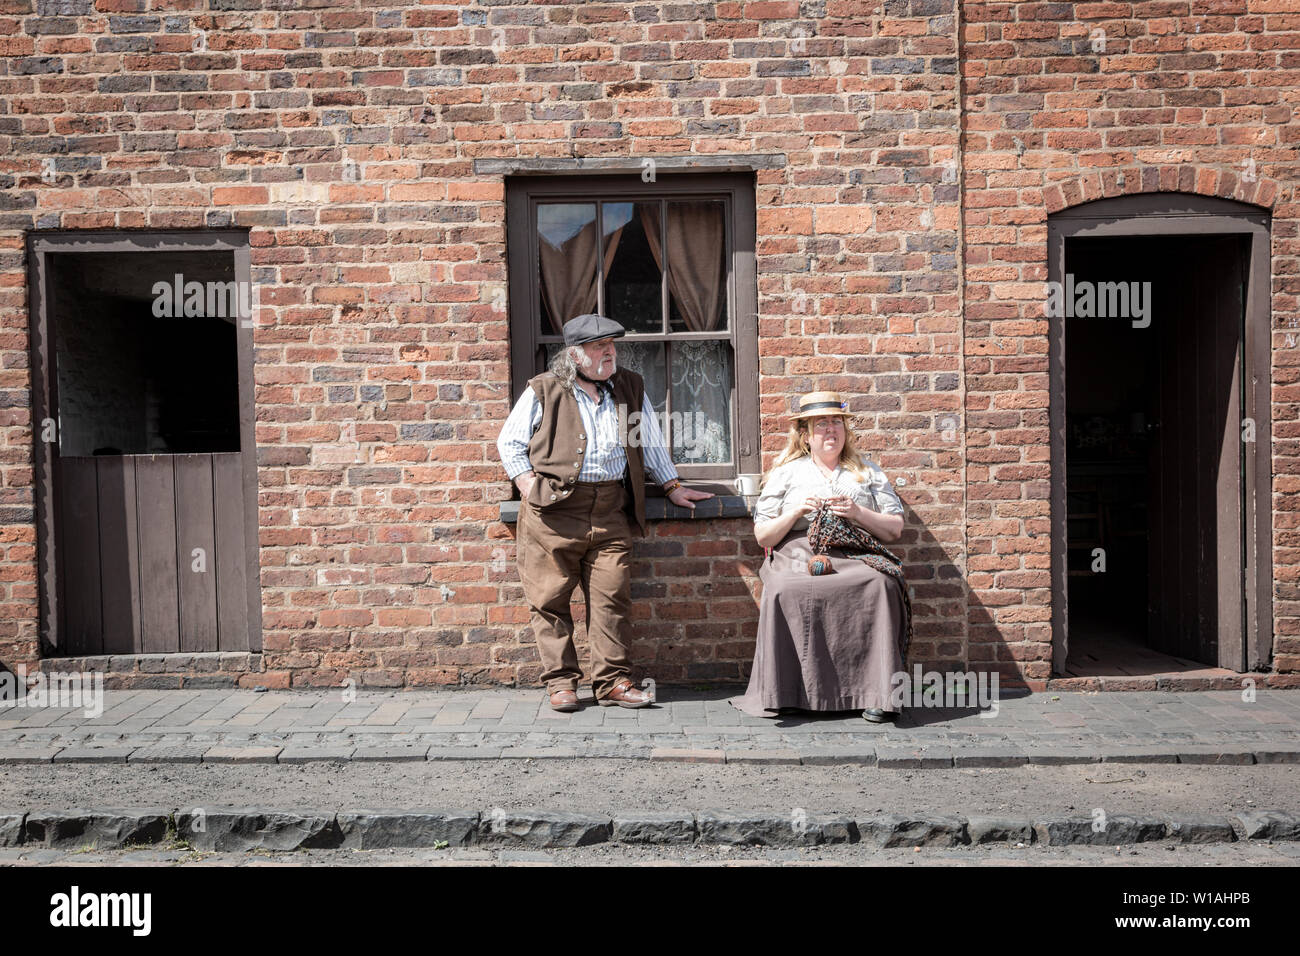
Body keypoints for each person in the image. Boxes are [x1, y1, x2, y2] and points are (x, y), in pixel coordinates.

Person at [497, 313, 714, 712]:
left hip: (611, 508)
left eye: (612, 345)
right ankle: (561, 684)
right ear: (576, 355)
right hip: (553, 511)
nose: (610, 352)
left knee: (611, 597)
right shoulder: (545, 389)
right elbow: (509, 444)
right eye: (600, 347)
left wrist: (673, 486)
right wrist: (530, 487)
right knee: (549, 600)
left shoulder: (628, 387)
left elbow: (647, 441)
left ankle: (612, 682)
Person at [729, 390, 908, 723]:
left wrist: (857, 512)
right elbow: (762, 536)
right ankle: (787, 695)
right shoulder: (787, 473)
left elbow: (894, 529)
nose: (831, 430)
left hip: (855, 553)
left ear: (845, 430)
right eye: (821, 424)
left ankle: (879, 695)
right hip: (795, 554)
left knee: (881, 584)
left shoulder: (866, 471)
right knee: (784, 588)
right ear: (806, 436)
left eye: (836, 422)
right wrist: (796, 510)